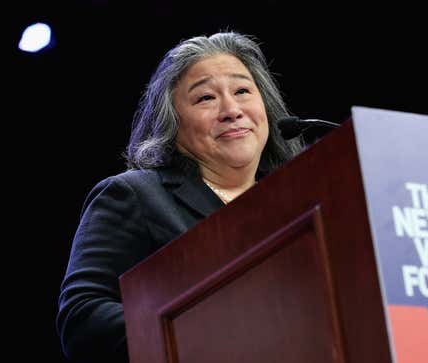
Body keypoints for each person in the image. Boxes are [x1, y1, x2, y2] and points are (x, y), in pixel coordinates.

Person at [56, 31, 303, 363]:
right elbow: (83, 317)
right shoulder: (135, 195)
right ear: (172, 123)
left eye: (242, 91)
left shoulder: (298, 201)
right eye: (205, 98)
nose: (231, 110)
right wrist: (197, 333)